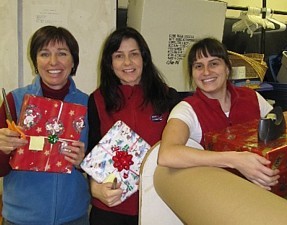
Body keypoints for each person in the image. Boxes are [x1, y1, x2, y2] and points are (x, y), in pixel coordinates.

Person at [158, 37, 280, 190]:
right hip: (217, 194)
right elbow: (167, 154)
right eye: (198, 66)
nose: (206, 72)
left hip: (260, 191)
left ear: (227, 68)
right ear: (192, 74)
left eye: (214, 64)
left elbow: (280, 136)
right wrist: (234, 160)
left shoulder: (252, 97)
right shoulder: (186, 109)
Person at [87, 26, 179, 225]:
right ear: (110, 63)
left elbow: (178, 150)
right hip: (110, 207)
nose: (127, 63)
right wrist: (94, 188)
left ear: (144, 59)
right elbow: (91, 152)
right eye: (119, 56)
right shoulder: (97, 100)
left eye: (134, 54)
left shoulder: (168, 97)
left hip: (157, 204)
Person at [0, 25, 90, 225]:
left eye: (62, 53)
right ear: (35, 60)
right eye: (44, 54)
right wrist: (2, 148)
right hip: (21, 218)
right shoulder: (14, 100)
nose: (53, 62)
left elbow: (97, 165)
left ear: (73, 60)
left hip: (73, 217)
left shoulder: (88, 104)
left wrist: (83, 162)